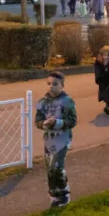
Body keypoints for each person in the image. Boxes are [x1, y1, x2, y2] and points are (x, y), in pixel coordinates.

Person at [35, 71, 77, 208]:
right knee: (49, 169)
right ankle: (54, 194)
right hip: (49, 140)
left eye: (55, 84)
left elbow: (72, 121)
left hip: (62, 139)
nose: (51, 87)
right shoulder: (42, 102)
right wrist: (43, 124)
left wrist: (57, 123)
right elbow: (38, 120)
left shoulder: (68, 101)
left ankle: (64, 193)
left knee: (57, 167)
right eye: (49, 84)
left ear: (62, 85)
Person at [94, 47, 109, 116]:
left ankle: (108, 106)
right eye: (104, 55)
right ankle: (107, 104)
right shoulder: (100, 61)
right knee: (103, 93)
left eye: (107, 55)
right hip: (103, 80)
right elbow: (97, 68)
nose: (106, 57)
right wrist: (99, 78)